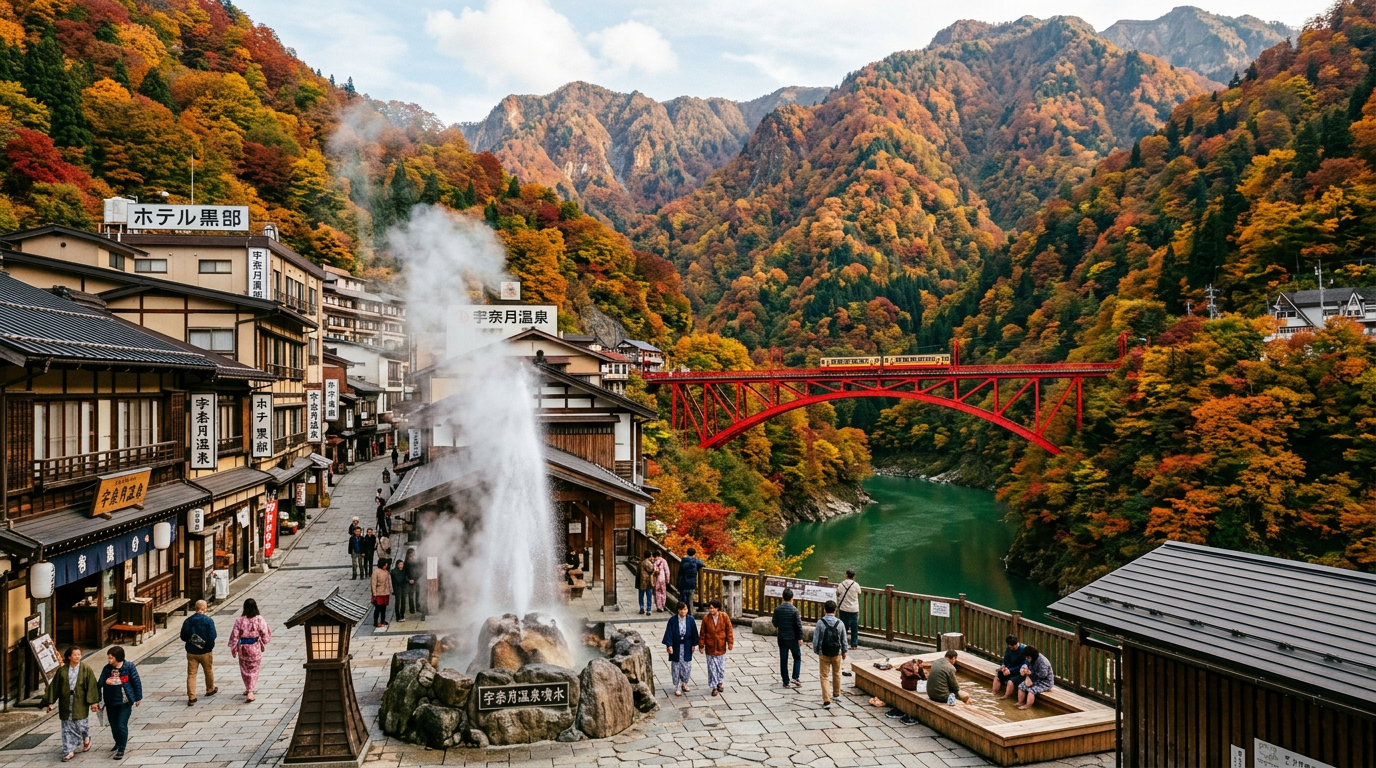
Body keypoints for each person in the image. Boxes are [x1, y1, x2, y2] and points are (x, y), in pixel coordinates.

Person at [42, 646, 100, 761]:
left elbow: (92, 686)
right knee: (67, 727)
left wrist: (93, 702)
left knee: (80, 724)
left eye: (79, 654)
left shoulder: (86, 669)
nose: (78, 656)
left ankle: (86, 736)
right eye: (75, 655)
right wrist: (49, 702)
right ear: (69, 657)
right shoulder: (62, 671)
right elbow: (54, 687)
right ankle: (68, 750)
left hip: (80, 701)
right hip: (66, 701)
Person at [97, 646, 142, 760]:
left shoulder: (129, 666)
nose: (109, 660)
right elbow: (99, 684)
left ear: (117, 658)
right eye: (108, 657)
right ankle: (118, 742)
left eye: (111, 658)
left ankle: (121, 748)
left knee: (121, 725)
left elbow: (136, 682)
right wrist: (98, 699)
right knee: (113, 725)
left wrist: (138, 698)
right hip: (110, 701)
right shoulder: (107, 669)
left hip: (125, 702)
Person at [228, 598, 272, 702]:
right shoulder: (259, 619)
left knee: (244, 669)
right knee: (254, 669)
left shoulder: (239, 620)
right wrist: (265, 640)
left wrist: (234, 647)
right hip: (255, 647)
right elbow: (265, 632)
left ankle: (248, 688)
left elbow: (235, 635)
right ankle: (250, 691)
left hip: (243, 648)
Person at [180, 599, 219, 706]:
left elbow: (183, 636)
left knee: (191, 674)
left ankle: (192, 697)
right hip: (205, 651)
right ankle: (210, 689)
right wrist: (209, 646)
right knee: (208, 670)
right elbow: (213, 636)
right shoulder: (208, 621)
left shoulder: (188, 621)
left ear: (195, 608)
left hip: (191, 652)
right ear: (204, 609)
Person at [813, 599, 848, 709]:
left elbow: (816, 639)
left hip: (824, 653)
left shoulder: (820, 623)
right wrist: (844, 651)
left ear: (824, 610)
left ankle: (827, 700)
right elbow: (844, 639)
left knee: (824, 676)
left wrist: (817, 651)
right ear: (835, 610)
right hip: (836, 653)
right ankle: (836, 694)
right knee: (837, 673)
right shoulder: (840, 623)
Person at [662, 601, 698, 696]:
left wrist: (693, 645)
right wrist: (669, 645)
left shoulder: (690, 620)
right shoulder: (672, 620)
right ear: (678, 610)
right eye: (681, 609)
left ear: (687, 610)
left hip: (687, 645)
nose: (683, 611)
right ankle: (677, 686)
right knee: (676, 666)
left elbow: (694, 633)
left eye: (685, 609)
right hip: (676, 645)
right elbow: (669, 633)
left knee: (687, 666)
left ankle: (684, 683)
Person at [698, 599, 734, 695]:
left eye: (713, 608)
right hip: (710, 647)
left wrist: (730, 643)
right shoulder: (706, 619)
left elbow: (729, 631)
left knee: (721, 668)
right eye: (710, 608)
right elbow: (702, 633)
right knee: (712, 669)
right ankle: (714, 687)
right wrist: (701, 645)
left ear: (717, 608)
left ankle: (720, 683)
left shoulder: (724, 617)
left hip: (721, 646)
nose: (711, 610)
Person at [772, 588, 803, 688]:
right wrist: (800, 638)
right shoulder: (794, 610)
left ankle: (785, 682)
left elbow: (774, 623)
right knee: (797, 657)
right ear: (792, 598)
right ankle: (795, 677)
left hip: (782, 637)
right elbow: (798, 625)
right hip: (793, 638)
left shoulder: (778, 609)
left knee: (783, 659)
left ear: (782, 598)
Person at [994, 634, 1027, 699]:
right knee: (998, 677)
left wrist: (1010, 670)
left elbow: (1024, 664)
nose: (1011, 648)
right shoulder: (1009, 649)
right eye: (1010, 646)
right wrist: (1003, 666)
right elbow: (1005, 659)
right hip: (1009, 668)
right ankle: (994, 692)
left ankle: (1006, 696)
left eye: (1012, 646)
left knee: (1010, 682)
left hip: (1019, 671)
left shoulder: (1023, 649)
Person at [835, 569, 861, 650]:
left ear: (846, 575)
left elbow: (837, 593)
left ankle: (843, 643)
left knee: (843, 627)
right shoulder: (856, 585)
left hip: (843, 608)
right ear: (854, 576)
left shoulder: (841, 584)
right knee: (854, 628)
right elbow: (859, 592)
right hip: (854, 609)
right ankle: (854, 645)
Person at [677, 547, 706, 614]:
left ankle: (682, 613)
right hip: (691, 584)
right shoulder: (695, 561)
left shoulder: (683, 560)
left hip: (683, 583)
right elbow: (703, 564)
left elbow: (680, 573)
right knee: (690, 600)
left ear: (687, 553)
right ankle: (690, 614)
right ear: (694, 554)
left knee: (683, 600)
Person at [371, 558, 392, 628]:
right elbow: (373, 584)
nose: (386, 566)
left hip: (385, 593)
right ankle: (375, 622)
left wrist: (390, 590)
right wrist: (374, 594)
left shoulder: (386, 572)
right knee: (377, 608)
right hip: (378, 593)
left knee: (384, 608)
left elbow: (389, 582)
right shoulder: (376, 572)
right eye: (385, 565)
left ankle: (383, 620)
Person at [403, 550, 422, 617]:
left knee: (418, 594)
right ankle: (412, 608)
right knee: (410, 595)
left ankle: (418, 607)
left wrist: (416, 579)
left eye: (413, 555)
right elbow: (404, 573)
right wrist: (408, 580)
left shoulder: (416, 562)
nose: (413, 556)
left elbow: (419, 571)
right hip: (409, 580)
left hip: (416, 580)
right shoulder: (406, 563)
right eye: (411, 555)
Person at [391, 556, 410, 621]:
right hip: (397, 588)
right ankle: (398, 616)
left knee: (403, 602)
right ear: (397, 565)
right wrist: (406, 580)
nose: (401, 566)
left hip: (403, 588)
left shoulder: (404, 571)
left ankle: (402, 615)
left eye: (402, 564)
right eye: (400, 564)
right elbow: (398, 580)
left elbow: (406, 577)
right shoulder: (394, 571)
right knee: (398, 602)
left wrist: (408, 580)